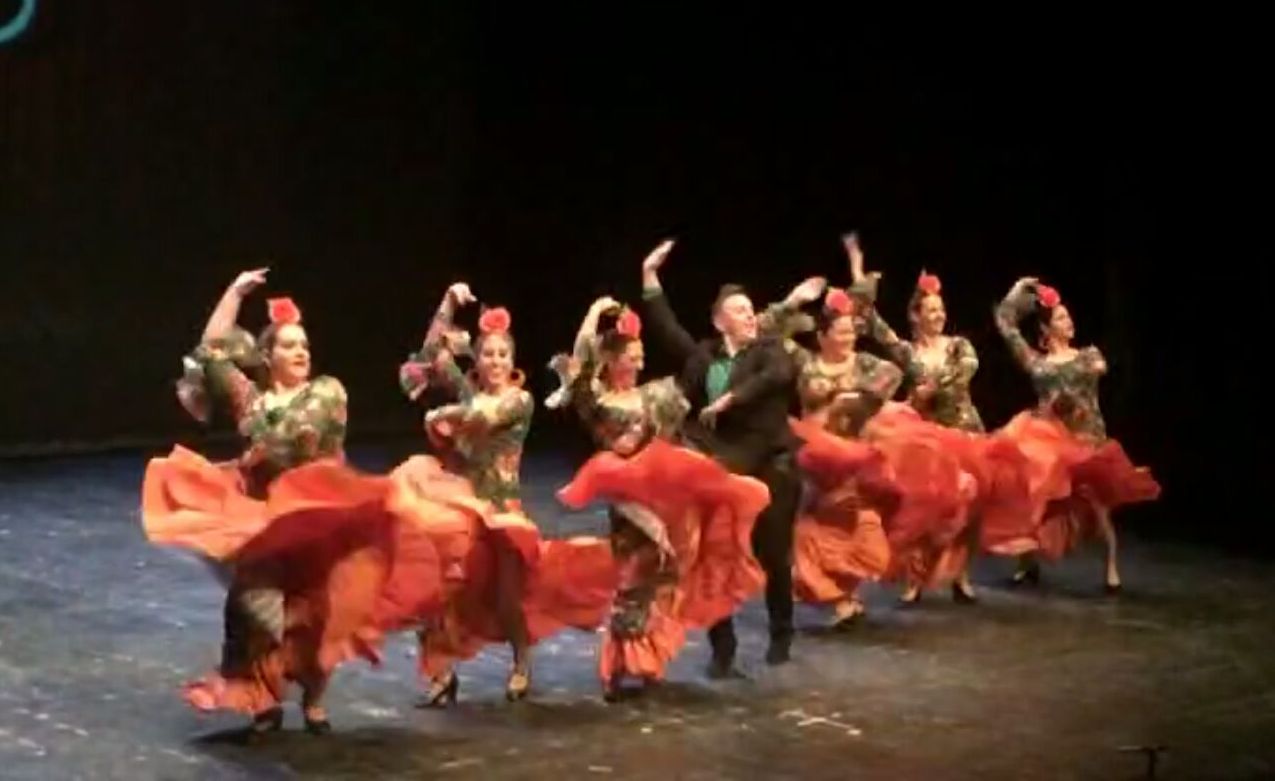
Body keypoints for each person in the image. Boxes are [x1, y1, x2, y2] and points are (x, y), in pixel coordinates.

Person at [142, 269, 442, 735]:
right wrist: (235, 292)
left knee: (323, 615)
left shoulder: (327, 392)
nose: (301, 351)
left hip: (322, 518)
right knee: (257, 609)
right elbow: (211, 350)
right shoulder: (250, 399)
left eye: (304, 345)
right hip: (268, 521)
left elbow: (298, 439)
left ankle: (313, 700)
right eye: (289, 345)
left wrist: (264, 447)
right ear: (268, 357)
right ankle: (262, 694)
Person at [550, 294, 767, 699]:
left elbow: (675, 437)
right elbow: (582, 360)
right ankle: (617, 668)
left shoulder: (654, 396)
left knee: (663, 577)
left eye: (641, 356)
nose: (638, 363)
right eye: (631, 357)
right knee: (631, 580)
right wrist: (595, 312)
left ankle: (647, 664)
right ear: (611, 360)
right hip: (626, 501)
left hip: (663, 499)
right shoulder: (597, 401)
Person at [639, 240, 801, 671]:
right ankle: (722, 648)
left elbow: (777, 376)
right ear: (719, 321)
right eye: (740, 310)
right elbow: (669, 331)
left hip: (769, 461)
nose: (750, 315)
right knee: (715, 555)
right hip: (722, 463)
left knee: (774, 553)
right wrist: (650, 279)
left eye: (751, 309)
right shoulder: (706, 356)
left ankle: (781, 633)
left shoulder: (769, 349)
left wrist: (731, 398)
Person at [993, 277, 1161, 592]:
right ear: (1046, 330)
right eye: (1061, 318)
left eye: (1069, 317)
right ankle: (1026, 563)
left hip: (1086, 440)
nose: (1069, 322)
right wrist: (1017, 290)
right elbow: (1005, 323)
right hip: (1050, 441)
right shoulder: (1037, 363)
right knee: (1035, 497)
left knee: (1098, 508)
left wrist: (1068, 397)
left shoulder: (1087, 355)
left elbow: (1099, 368)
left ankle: (1111, 567)